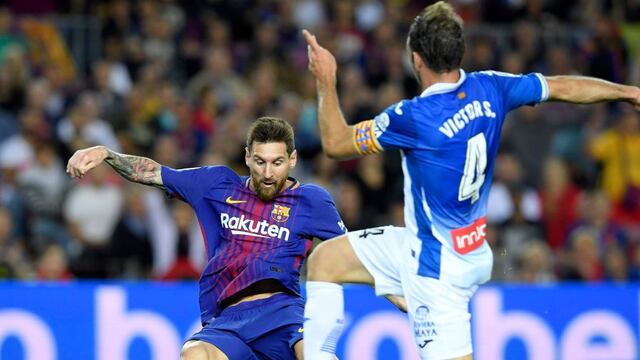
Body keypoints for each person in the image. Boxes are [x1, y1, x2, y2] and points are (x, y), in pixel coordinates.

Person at [301, 2, 640, 359]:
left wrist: (326, 81)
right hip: (453, 247)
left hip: (436, 271)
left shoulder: (412, 117)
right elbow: (562, 86)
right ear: (460, 52)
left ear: (416, 59)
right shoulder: (491, 87)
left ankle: (410, 289)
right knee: (326, 261)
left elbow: (336, 143)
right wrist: (627, 92)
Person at [66, 116, 347, 360]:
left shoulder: (311, 200)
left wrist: (392, 290)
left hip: (282, 312)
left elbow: (356, 253)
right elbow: (154, 173)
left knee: (315, 352)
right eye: (260, 162)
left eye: (277, 163)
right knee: (195, 353)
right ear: (247, 156)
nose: (268, 173)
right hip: (228, 320)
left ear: (293, 159)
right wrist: (107, 154)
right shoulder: (216, 184)